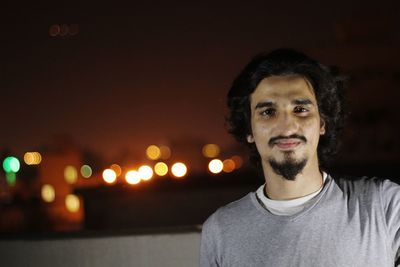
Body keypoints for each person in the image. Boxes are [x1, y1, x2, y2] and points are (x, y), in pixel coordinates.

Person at [200, 48, 400, 267]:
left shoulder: (384, 205)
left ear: (322, 122)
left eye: (300, 109)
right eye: (268, 112)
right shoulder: (221, 230)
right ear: (249, 130)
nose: (286, 126)